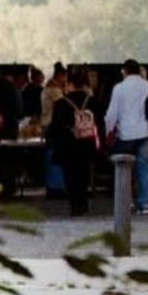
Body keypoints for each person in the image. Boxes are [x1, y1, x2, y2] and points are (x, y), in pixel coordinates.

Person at [104, 59, 148, 215]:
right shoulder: (147, 85)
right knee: (144, 168)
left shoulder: (119, 88)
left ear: (124, 71)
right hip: (146, 132)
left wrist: (108, 130)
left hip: (125, 134)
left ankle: (128, 203)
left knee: (125, 169)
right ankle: (144, 204)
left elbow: (112, 113)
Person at [49, 66, 101, 216]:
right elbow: (100, 123)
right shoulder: (92, 101)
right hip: (86, 143)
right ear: (85, 84)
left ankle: (75, 204)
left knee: (70, 175)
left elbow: (55, 128)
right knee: (84, 173)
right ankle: (83, 202)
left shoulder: (60, 103)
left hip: (67, 146)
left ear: (69, 83)